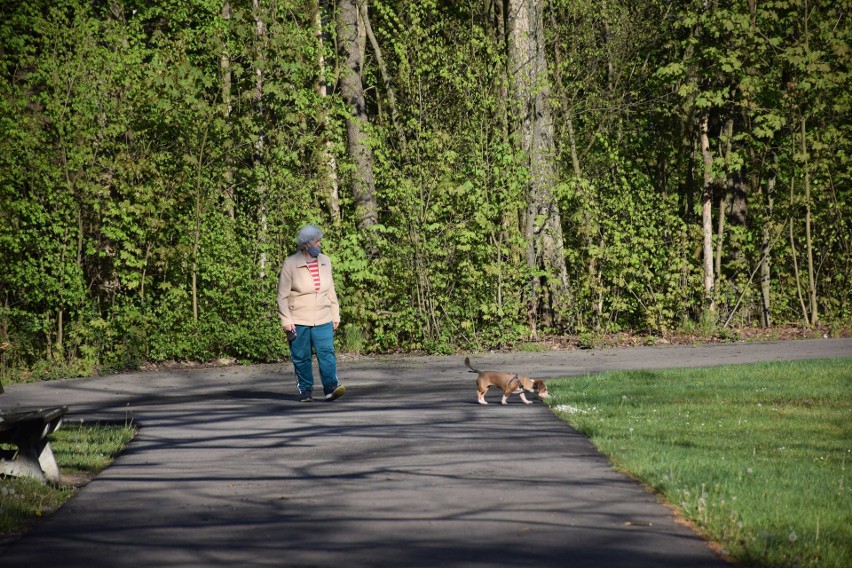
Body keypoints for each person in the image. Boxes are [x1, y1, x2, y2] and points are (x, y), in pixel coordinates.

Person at [277, 225, 345, 402]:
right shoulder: (290, 264)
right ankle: (306, 391)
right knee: (301, 356)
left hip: (323, 317)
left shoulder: (325, 261)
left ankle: (330, 387)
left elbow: (331, 290)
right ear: (306, 244)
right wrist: (286, 320)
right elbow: (282, 296)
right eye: (317, 242)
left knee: (327, 352)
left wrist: (335, 314)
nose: (320, 245)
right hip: (298, 319)